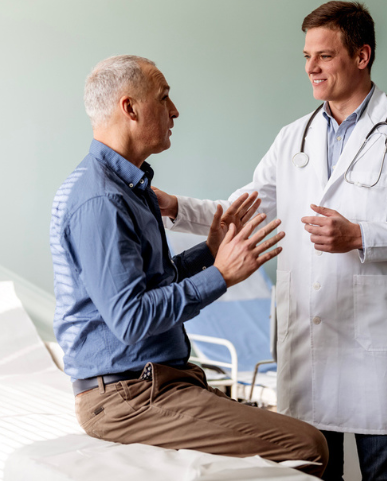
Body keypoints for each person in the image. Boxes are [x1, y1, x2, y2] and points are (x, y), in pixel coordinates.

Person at [154, 2, 387, 480]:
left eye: (324, 56)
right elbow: (241, 209)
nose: (310, 69)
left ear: (362, 56)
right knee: (309, 468)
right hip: (309, 338)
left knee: (383, 470)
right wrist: (176, 207)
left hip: (371, 339)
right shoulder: (293, 137)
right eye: (306, 56)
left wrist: (360, 235)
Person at [50, 54, 329, 478]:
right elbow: (130, 318)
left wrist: (209, 252)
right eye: (164, 99)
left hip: (158, 382)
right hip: (128, 398)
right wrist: (221, 276)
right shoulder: (101, 200)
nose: (175, 110)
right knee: (307, 445)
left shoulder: (131, 186)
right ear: (130, 108)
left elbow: (152, 284)